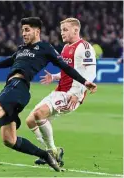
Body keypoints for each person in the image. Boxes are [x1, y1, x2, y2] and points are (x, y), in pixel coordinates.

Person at [0, 17, 97, 172]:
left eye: (27, 30)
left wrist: (83, 83)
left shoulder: (45, 48)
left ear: (37, 31)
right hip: (14, 88)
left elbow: (66, 67)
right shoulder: (22, 49)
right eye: (22, 30)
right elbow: (10, 60)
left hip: (18, 86)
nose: (24, 33)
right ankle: (46, 155)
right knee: (9, 139)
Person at [25, 18, 97, 166]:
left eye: (65, 30)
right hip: (59, 91)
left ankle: (51, 152)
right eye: (61, 30)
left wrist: (77, 94)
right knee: (30, 120)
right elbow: (68, 72)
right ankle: (52, 151)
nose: (61, 33)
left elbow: (90, 73)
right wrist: (55, 76)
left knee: (39, 114)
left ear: (75, 30)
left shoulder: (85, 47)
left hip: (71, 95)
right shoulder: (65, 48)